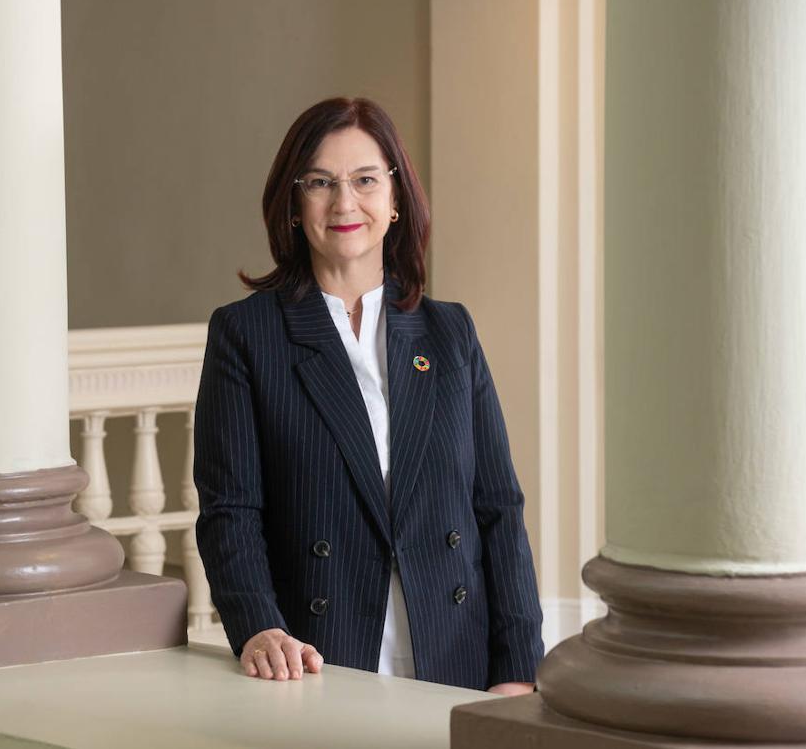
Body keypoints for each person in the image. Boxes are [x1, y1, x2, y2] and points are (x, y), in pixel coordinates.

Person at [193, 97, 543, 693]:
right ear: (293, 204)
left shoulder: (450, 331)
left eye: (365, 180)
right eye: (321, 182)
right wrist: (257, 624)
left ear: (396, 198)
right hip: (316, 658)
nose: (344, 202)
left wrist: (518, 668)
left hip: (453, 651)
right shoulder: (246, 334)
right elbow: (230, 511)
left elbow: (498, 508)